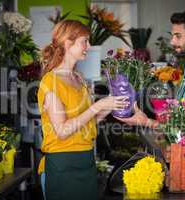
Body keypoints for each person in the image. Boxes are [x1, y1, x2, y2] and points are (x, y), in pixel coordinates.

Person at [37, 20, 129, 200]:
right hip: (63, 164)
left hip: (86, 159)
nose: (88, 46)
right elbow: (62, 131)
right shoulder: (50, 82)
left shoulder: (79, 78)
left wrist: (111, 106)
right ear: (67, 43)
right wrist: (97, 106)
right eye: (84, 41)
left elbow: (88, 122)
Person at [117, 11, 185, 127]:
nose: (172, 41)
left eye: (178, 36)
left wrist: (148, 122)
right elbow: (183, 128)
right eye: (172, 36)